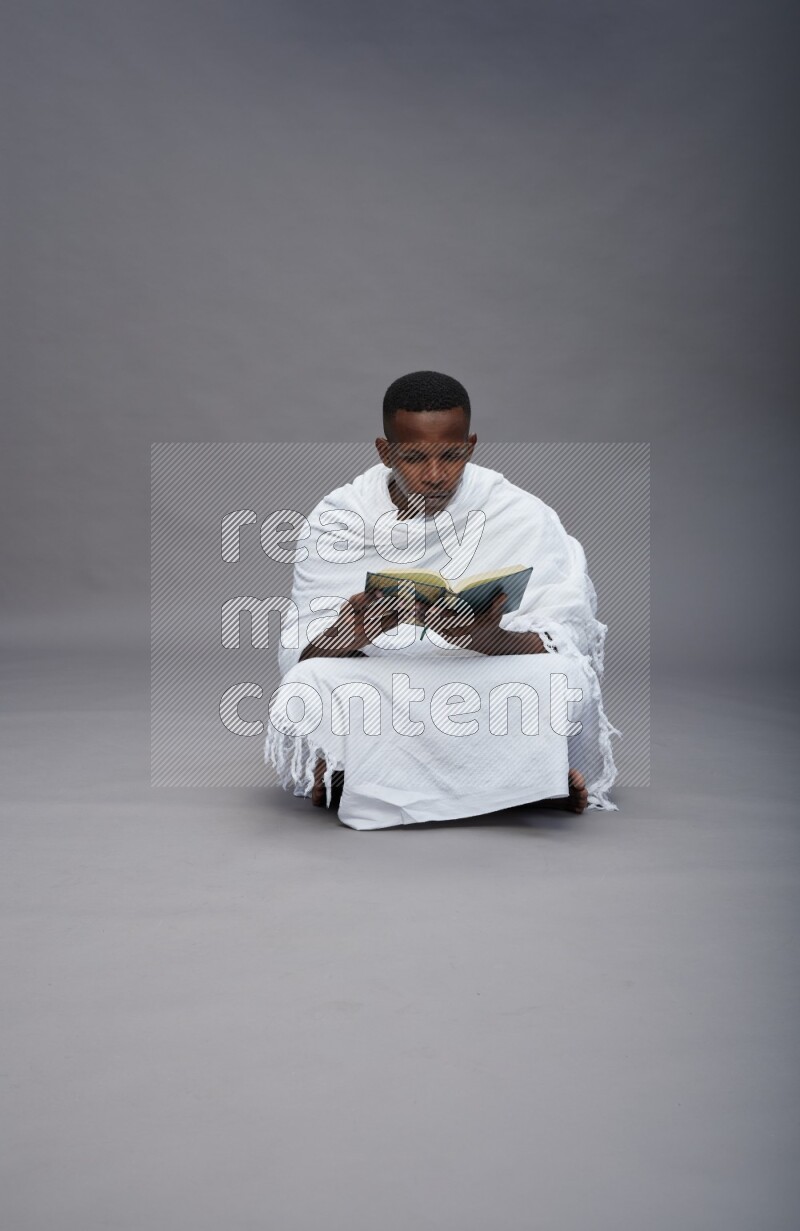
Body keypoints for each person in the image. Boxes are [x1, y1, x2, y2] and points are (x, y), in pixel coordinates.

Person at [265, 370, 619, 830]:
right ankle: (527, 785)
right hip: (385, 676)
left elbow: (570, 641)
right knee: (315, 679)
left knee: (559, 676)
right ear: (385, 450)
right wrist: (348, 635)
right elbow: (301, 654)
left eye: (451, 456)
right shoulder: (341, 517)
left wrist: (488, 637)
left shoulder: (519, 513)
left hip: (482, 669)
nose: (435, 476)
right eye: (413, 458)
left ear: (471, 446)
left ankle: (359, 779)